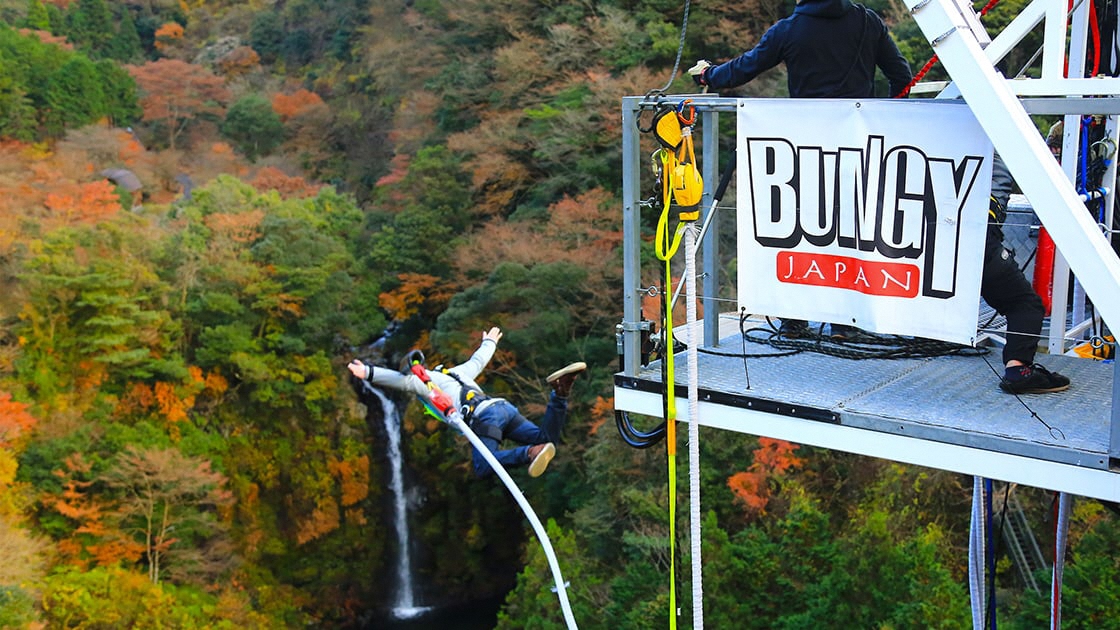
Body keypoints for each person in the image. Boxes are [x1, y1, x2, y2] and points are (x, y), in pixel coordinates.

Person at [690, 0, 913, 339]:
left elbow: (743, 69)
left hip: (805, 146)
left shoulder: (791, 29)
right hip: (857, 145)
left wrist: (709, 74)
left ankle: (794, 320)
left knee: (800, 228)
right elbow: (901, 77)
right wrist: (881, 120)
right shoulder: (868, 23)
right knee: (850, 229)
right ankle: (845, 322)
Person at [348, 327, 587, 477]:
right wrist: (489, 342)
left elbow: (404, 382)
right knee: (547, 440)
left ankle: (529, 453)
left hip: (484, 417)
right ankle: (560, 392)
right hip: (502, 408)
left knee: (483, 466)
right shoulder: (459, 372)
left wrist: (369, 372)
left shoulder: (430, 380)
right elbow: (478, 360)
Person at [986, 154, 1071, 394]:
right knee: (1026, 304)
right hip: (978, 232)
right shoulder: (990, 133)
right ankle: (1018, 369)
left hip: (923, 234)